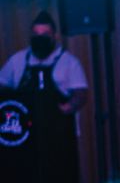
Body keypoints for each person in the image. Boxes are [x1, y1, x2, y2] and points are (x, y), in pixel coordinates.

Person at [0, 10, 88, 182]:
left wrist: (69, 106)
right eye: (36, 34)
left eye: (45, 34)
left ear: (54, 36)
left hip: (59, 137)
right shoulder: (17, 60)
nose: (40, 38)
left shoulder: (69, 62)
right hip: (23, 139)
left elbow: (81, 93)